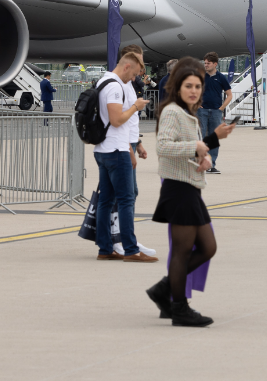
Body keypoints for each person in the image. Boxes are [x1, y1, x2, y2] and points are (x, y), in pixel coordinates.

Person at [146, 57, 236, 327]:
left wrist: (203, 154)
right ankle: (179, 307)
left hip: (190, 187)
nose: (194, 90)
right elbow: (163, 147)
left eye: (198, 85)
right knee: (184, 251)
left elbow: (187, 147)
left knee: (207, 247)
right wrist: (202, 145)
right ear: (178, 86)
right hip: (178, 189)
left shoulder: (187, 112)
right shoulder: (173, 111)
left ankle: (164, 290)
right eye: (189, 85)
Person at [93, 47, 156, 262]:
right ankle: (130, 249)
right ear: (127, 66)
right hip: (115, 150)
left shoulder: (103, 81)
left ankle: (105, 248)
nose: (134, 78)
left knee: (106, 201)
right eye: (134, 73)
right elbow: (117, 119)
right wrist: (136, 107)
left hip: (103, 148)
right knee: (126, 199)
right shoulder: (115, 87)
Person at [197, 52, 232, 174]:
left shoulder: (221, 77)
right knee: (200, 137)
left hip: (216, 112)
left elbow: (229, 95)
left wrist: (221, 108)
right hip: (202, 111)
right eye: (205, 63)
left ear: (215, 64)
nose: (206, 65)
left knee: (214, 138)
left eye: (208, 63)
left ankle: (211, 165)